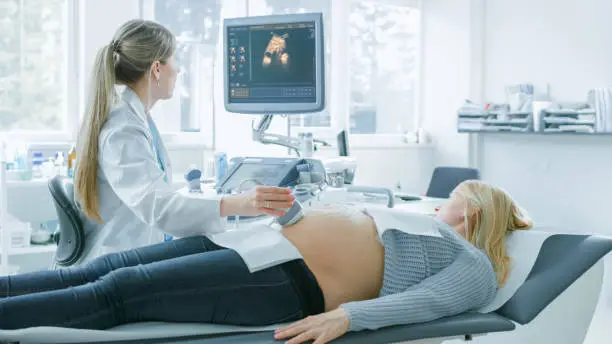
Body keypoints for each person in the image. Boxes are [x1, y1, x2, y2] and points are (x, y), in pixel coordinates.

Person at [0, 180, 531, 343]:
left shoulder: (474, 264)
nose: (442, 202)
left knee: (116, 293)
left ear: (478, 207)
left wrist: (352, 316)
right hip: (257, 244)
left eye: (454, 198)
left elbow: (431, 301)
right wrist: (294, 210)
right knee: (96, 272)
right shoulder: (420, 219)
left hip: (289, 280)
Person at [73, 19, 293, 263]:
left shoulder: (134, 117)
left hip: (133, 253)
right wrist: (237, 203)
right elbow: (159, 208)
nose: (178, 71)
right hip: (118, 263)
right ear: (157, 69)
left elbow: (157, 196)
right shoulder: (123, 130)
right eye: (174, 61)